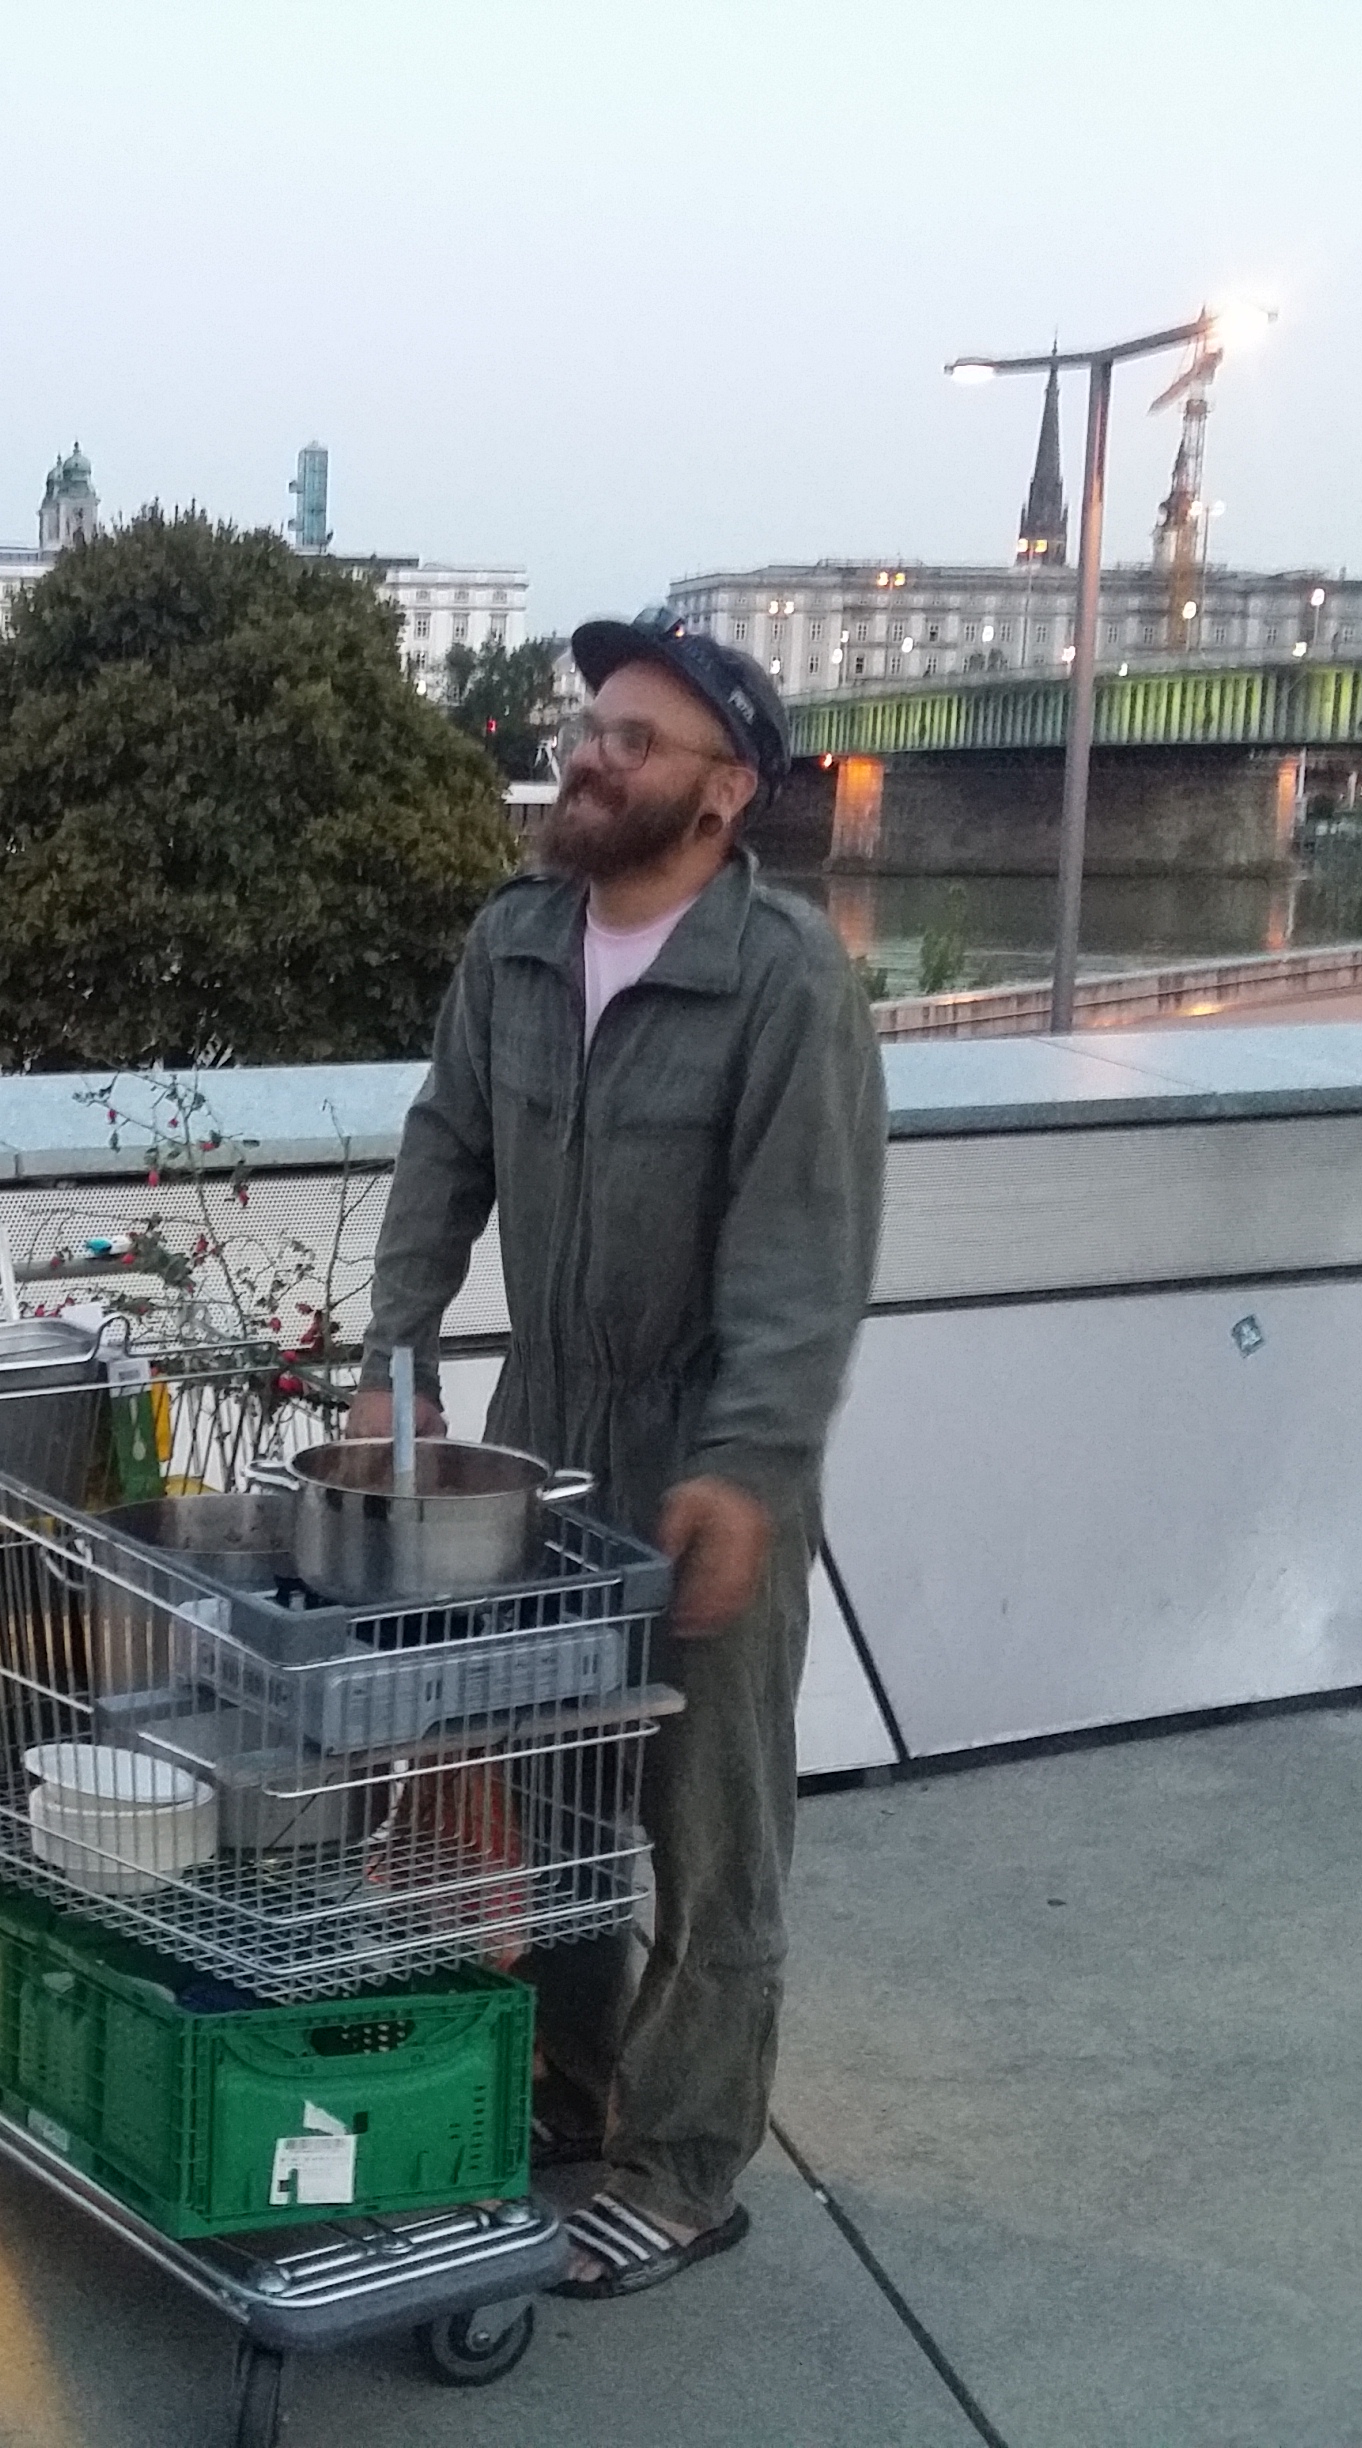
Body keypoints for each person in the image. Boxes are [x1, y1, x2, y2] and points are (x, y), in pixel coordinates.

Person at [353, 614, 887, 2299]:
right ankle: (565, 2097)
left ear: (723, 794)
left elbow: (805, 1266)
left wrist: (747, 1470)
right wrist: (397, 1365)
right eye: (591, 726)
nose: (590, 754)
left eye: (634, 740)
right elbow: (444, 1151)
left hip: (709, 1448)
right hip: (546, 1433)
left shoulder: (786, 982)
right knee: (556, 1789)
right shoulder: (516, 940)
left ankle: (682, 2164)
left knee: (707, 1824)